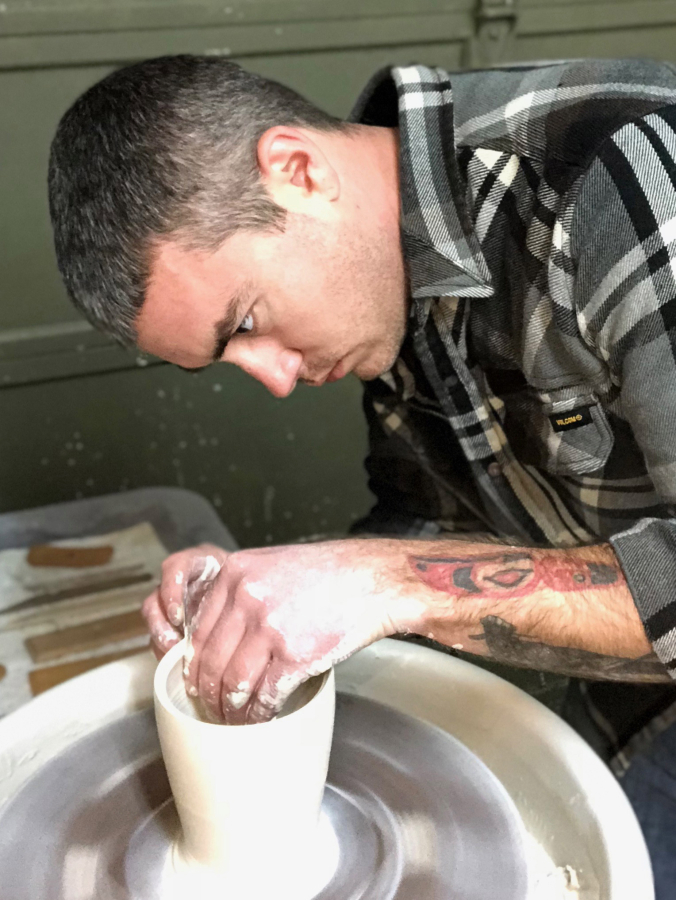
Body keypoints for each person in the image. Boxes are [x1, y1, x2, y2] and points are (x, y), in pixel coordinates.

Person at [48, 54, 676, 892]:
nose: (271, 378)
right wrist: (270, 598)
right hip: (630, 698)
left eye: (245, 322)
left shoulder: (622, 179)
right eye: (227, 360)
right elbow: (423, 522)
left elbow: (407, 574)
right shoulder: (386, 276)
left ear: (297, 172)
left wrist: (391, 583)